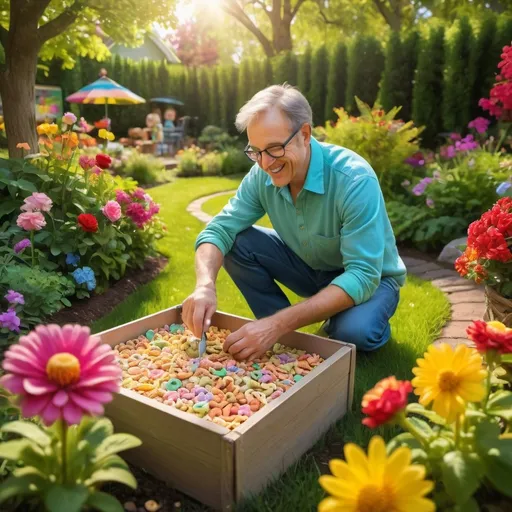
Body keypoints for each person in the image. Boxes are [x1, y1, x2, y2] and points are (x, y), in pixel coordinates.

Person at [182, 84, 406, 361]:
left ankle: (319, 322)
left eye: (275, 148)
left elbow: (362, 275)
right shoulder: (260, 174)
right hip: (311, 269)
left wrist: (277, 324)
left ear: (305, 134)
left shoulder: (354, 180)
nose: (265, 163)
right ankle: (285, 336)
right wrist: (204, 284)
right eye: (256, 151)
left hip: (373, 280)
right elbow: (218, 230)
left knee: (355, 333)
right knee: (236, 241)